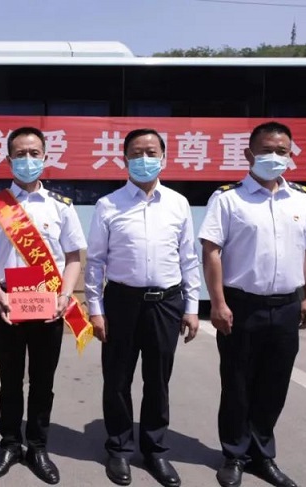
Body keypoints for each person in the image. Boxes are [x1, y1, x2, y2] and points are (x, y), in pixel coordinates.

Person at [198, 121, 306, 487]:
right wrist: (218, 303)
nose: (274, 157)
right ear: (249, 154)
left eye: (282, 151)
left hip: (286, 306)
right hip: (242, 306)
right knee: (237, 383)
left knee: (275, 383)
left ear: (291, 155)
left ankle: (262, 455)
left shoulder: (302, 200)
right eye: (267, 150)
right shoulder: (228, 199)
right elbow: (212, 252)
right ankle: (234, 454)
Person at [0, 126, 87, 485]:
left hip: (49, 303)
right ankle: (9, 444)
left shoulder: (61, 206)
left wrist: (65, 294)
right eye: (20, 154)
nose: (28, 159)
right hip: (8, 303)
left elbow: (73, 257)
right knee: (9, 381)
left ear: (45, 157)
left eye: (34, 153)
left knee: (42, 381)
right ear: (8, 160)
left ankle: (37, 446)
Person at [84, 128, 201, 487]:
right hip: (122, 302)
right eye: (136, 153)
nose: (144, 159)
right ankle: (119, 449)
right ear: (124, 159)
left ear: (164, 157)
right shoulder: (109, 205)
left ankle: (155, 450)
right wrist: (95, 309)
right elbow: (95, 261)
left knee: (158, 380)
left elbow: (188, 258)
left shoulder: (178, 203)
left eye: (151, 152)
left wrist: (192, 306)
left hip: (166, 303)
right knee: (117, 379)